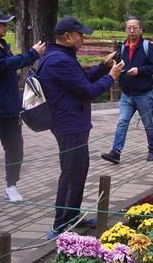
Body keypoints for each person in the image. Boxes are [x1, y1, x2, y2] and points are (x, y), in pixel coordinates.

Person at [39, 17, 122, 239]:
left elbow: (80, 81)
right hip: (69, 124)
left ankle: (72, 216)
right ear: (68, 36)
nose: (83, 38)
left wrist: (103, 68)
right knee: (70, 172)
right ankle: (59, 224)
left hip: (71, 122)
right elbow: (88, 91)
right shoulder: (60, 60)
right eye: (81, 34)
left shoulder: (59, 56)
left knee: (79, 170)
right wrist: (111, 77)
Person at [0, 8, 45, 214]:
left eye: (7, 23)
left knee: (16, 148)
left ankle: (11, 186)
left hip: (9, 108)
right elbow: (0, 65)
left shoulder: (2, 44)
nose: (5, 26)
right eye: (1, 23)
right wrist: (31, 54)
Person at [101, 16, 153, 164]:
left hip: (144, 95)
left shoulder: (147, 46)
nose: (132, 30)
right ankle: (116, 152)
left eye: (135, 27)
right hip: (126, 95)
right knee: (122, 122)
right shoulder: (122, 46)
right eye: (129, 27)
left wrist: (138, 70)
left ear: (140, 29)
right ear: (125, 29)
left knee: (148, 124)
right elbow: (117, 64)